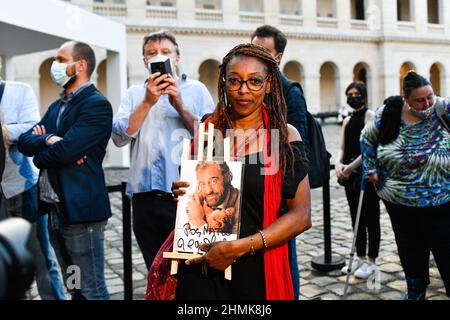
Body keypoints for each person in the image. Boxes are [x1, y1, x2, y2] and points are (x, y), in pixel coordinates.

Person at [171, 43, 312, 300]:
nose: (243, 90)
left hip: (256, 268)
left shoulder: (284, 137)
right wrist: (183, 191)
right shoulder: (208, 130)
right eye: (234, 80)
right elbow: (195, 195)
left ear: (269, 84)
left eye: (254, 81)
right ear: (224, 82)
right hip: (202, 265)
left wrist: (238, 248)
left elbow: (301, 216)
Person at [112, 31, 215, 270]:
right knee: (155, 269)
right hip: (144, 198)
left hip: (186, 197)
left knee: (189, 269)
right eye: (151, 53)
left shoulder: (197, 90)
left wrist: (178, 104)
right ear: (145, 60)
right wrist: (147, 101)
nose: (158, 56)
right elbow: (118, 137)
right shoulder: (134, 94)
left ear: (177, 59)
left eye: (166, 52)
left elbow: (211, 140)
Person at [18, 41, 112, 300]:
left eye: (60, 59)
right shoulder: (59, 105)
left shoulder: (96, 104)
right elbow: (26, 141)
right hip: (56, 213)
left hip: (82, 215)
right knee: (75, 286)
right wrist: (48, 139)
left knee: (92, 289)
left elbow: (65, 151)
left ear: (80, 65)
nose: (55, 65)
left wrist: (43, 154)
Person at [361, 71, 450, 299]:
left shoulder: (444, 108)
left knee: (446, 249)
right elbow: (366, 137)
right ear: (406, 99)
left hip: (440, 201)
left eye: (430, 96)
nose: (427, 102)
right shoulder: (389, 113)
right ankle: (416, 290)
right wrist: (370, 169)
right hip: (399, 201)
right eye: (420, 100)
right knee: (410, 249)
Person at [251, 24, 308, 299]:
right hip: (251, 190)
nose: (256, 55)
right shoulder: (249, 84)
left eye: (264, 51)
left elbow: (297, 147)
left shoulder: (290, 91)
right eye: (253, 47)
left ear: (279, 56)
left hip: (279, 194)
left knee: (284, 257)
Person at [0, 58, 65, 300]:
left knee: (41, 256)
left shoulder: (21, 91)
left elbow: (31, 127)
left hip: (23, 186)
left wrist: (4, 130)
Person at [335, 82, 380, 279]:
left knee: (371, 218)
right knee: (356, 217)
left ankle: (372, 261)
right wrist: (337, 163)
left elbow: (369, 149)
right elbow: (342, 147)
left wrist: (350, 167)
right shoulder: (347, 120)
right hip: (349, 176)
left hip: (366, 175)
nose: (353, 97)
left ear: (364, 95)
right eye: (350, 94)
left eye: (356, 93)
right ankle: (359, 257)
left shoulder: (370, 117)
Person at [186, 161, 240, 234]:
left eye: (213, 181)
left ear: (228, 178)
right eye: (203, 184)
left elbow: (231, 244)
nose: (208, 191)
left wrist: (199, 222)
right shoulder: (197, 204)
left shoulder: (241, 203)